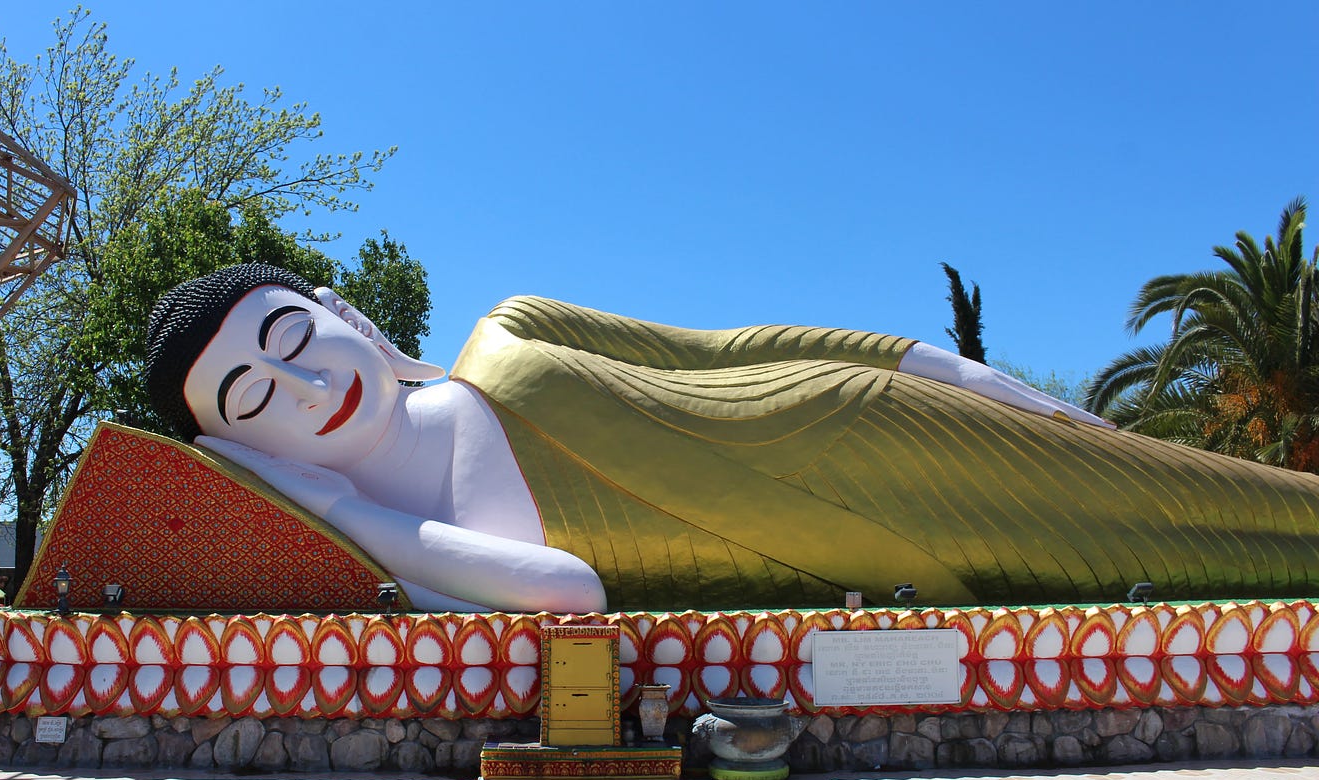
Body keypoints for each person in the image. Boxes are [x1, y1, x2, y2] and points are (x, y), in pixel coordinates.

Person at [145, 263, 1319, 613]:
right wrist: (332, 507)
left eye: (290, 333)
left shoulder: (505, 334)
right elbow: (568, 593)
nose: (300, 385)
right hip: (860, 552)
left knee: (1212, 493)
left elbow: (720, 350)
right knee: (1235, 552)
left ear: (343, 313)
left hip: (862, 419)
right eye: (249, 400)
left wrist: (945, 362)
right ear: (255, 454)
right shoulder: (417, 541)